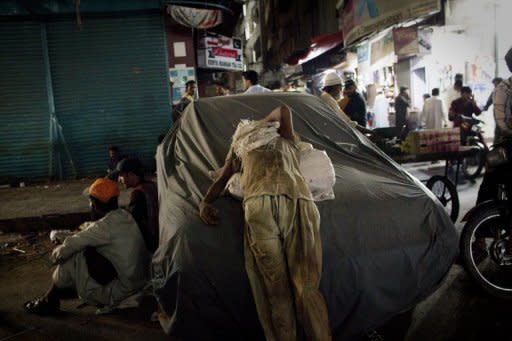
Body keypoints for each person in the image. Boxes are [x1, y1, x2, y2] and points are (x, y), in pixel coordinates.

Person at [199, 105, 331, 340]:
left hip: (258, 203)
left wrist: (205, 202)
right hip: (295, 200)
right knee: (307, 287)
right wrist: (262, 123)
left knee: (275, 288)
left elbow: (221, 179)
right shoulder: (287, 140)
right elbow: (282, 110)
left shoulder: (240, 147)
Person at [23, 178, 149, 315]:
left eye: (90, 201)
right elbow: (86, 234)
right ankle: (60, 292)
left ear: (94, 204)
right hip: (138, 282)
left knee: (73, 256)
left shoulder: (104, 227)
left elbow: (73, 244)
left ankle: (49, 301)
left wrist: (51, 259)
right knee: (84, 250)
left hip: (122, 290)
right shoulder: (124, 216)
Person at [115, 158, 159, 253]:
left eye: (121, 175)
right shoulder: (152, 185)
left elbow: (131, 220)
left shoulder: (138, 193)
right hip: (160, 235)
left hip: (151, 242)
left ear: (130, 174)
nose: (119, 180)